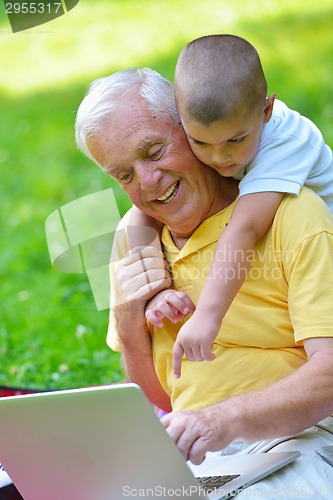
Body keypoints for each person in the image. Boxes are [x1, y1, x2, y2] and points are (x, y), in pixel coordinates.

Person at [75, 67, 333, 496]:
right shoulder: (136, 239)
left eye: (154, 151)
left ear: (190, 127)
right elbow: (162, 396)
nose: (148, 183)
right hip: (199, 458)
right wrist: (126, 314)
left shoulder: (292, 212)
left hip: (301, 441)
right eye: (123, 175)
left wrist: (220, 421)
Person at [130, 35, 333, 379]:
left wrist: (208, 316)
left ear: (266, 110)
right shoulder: (225, 133)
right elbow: (141, 211)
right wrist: (153, 286)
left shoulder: (287, 144)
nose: (220, 157)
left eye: (235, 141)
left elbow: (245, 229)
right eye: (200, 143)